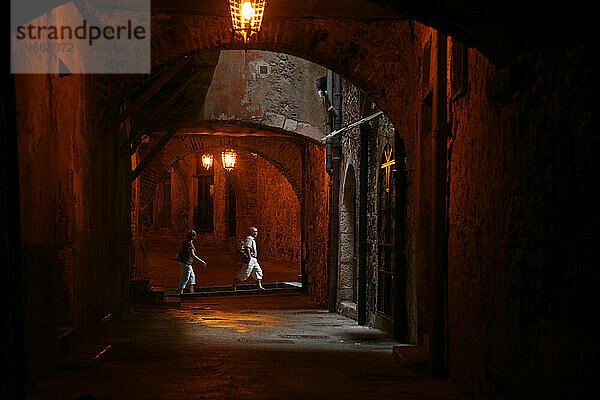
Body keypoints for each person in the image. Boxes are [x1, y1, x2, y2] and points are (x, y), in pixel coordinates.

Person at [233, 226, 264, 290]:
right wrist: (249, 257)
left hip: (254, 259)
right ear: (251, 232)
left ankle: (259, 286)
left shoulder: (252, 239)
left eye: (256, 231)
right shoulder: (249, 239)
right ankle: (234, 285)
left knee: (258, 271)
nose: (256, 233)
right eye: (254, 231)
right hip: (251, 258)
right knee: (245, 274)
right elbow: (248, 247)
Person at [177, 230, 206, 295]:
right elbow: (193, 255)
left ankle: (191, 292)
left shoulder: (185, 242)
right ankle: (179, 294)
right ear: (193, 236)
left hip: (183, 262)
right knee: (185, 278)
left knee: (192, 277)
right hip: (186, 263)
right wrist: (201, 261)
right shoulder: (189, 244)